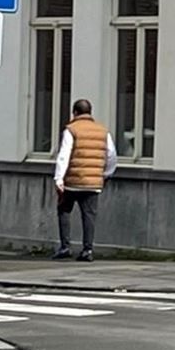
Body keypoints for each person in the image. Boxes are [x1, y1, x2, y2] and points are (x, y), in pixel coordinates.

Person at [53, 98, 117, 261]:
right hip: (93, 183)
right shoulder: (103, 131)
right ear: (90, 112)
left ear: (74, 113)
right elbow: (111, 155)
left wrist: (59, 178)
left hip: (72, 182)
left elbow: (64, 155)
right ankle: (87, 250)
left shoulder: (71, 129)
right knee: (89, 216)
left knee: (64, 211)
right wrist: (105, 174)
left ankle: (65, 247)